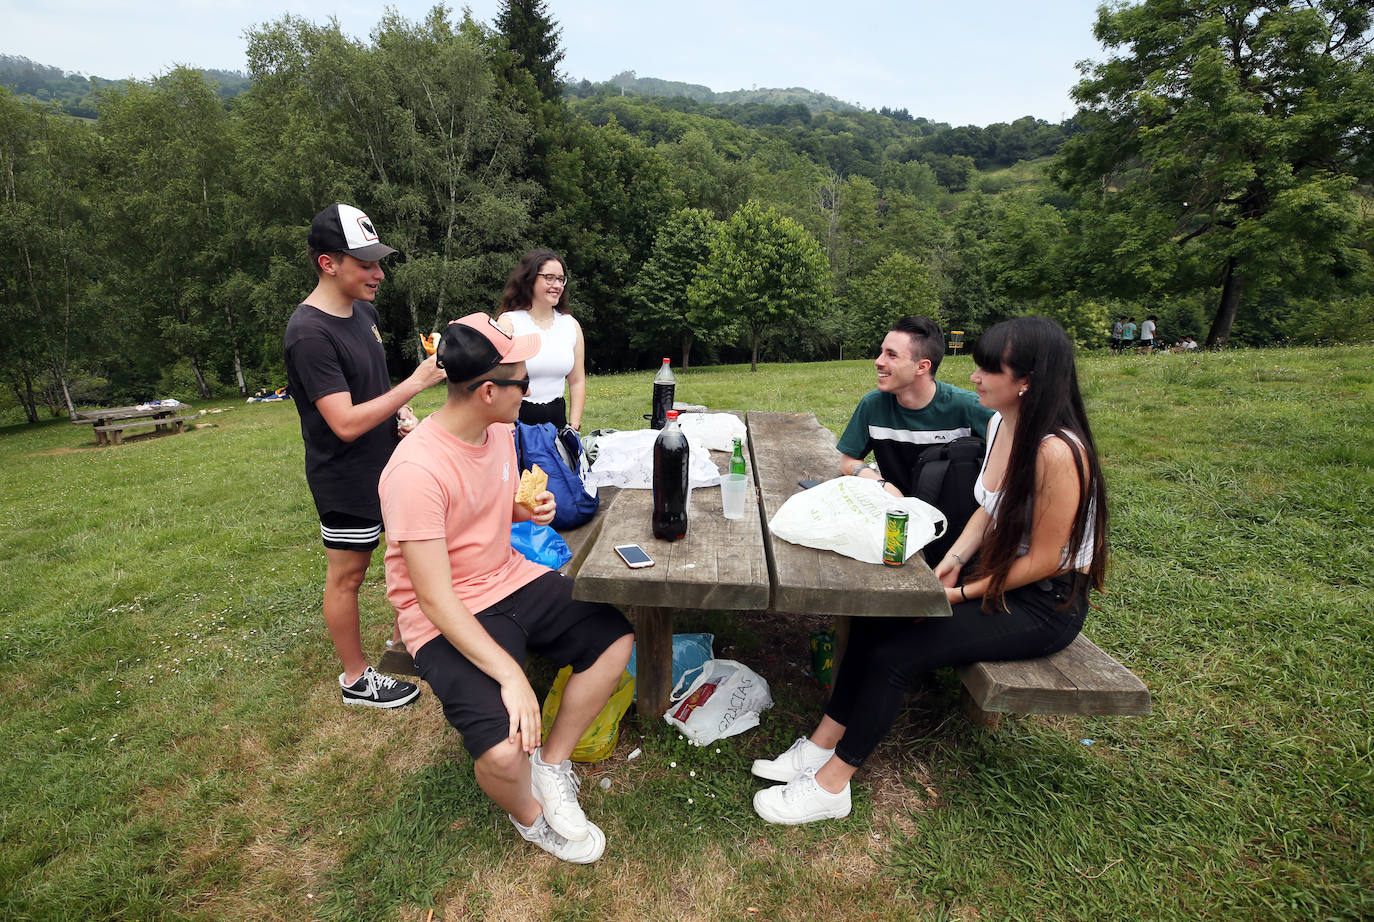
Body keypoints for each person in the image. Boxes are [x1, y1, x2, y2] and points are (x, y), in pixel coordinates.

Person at [751, 316, 1108, 825]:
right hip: (991, 574)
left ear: (1027, 381)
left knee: (896, 654)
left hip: (1043, 602)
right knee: (875, 619)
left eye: (989, 369)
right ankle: (821, 744)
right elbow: (989, 508)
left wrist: (959, 594)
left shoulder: (1057, 451)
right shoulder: (1002, 423)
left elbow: (1045, 560)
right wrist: (953, 562)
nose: (975, 376)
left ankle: (833, 786)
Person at [378, 313, 633, 863]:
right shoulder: (414, 471)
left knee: (614, 638)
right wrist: (512, 677)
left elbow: (488, 507)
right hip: (445, 611)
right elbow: (434, 598)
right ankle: (531, 818)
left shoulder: (498, 432)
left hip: (508, 575)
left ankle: (552, 764)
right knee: (499, 753)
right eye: (524, 381)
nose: (533, 391)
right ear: (488, 392)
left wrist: (526, 509)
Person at [283, 202, 447, 708]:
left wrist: (400, 414)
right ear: (328, 263)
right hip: (346, 477)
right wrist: (415, 384)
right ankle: (356, 680)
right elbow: (345, 422)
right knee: (349, 576)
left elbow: (370, 392)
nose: (379, 274)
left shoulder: (364, 313)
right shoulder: (309, 333)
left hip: (390, 464)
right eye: (366, 263)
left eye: (379, 262)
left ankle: (412, 641)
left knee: (410, 557)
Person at [835, 316, 993, 546]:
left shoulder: (969, 408)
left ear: (922, 366)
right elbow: (848, 460)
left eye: (891, 355)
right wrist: (882, 485)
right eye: (881, 352)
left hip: (959, 534)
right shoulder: (873, 405)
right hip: (898, 524)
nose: (878, 361)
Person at [495, 249, 586, 432]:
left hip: (558, 427)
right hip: (516, 426)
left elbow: (577, 381)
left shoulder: (571, 325)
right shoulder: (508, 323)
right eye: (549, 278)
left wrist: (574, 426)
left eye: (560, 279)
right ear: (529, 279)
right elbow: (498, 382)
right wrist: (509, 432)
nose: (557, 285)